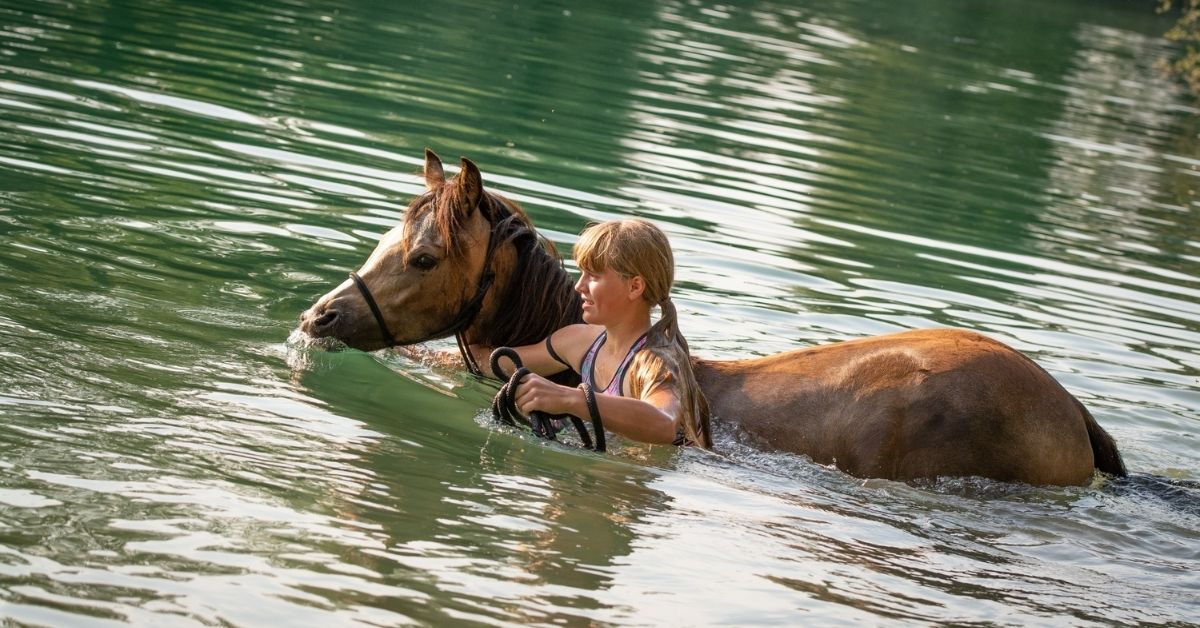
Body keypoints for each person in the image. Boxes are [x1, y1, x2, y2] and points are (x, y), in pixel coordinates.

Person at [475, 218, 712, 448]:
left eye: (594, 276)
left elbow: (664, 424)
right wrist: (443, 356)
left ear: (635, 287)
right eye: (581, 273)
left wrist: (569, 399)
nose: (579, 286)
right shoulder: (580, 341)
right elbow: (496, 363)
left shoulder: (656, 362)